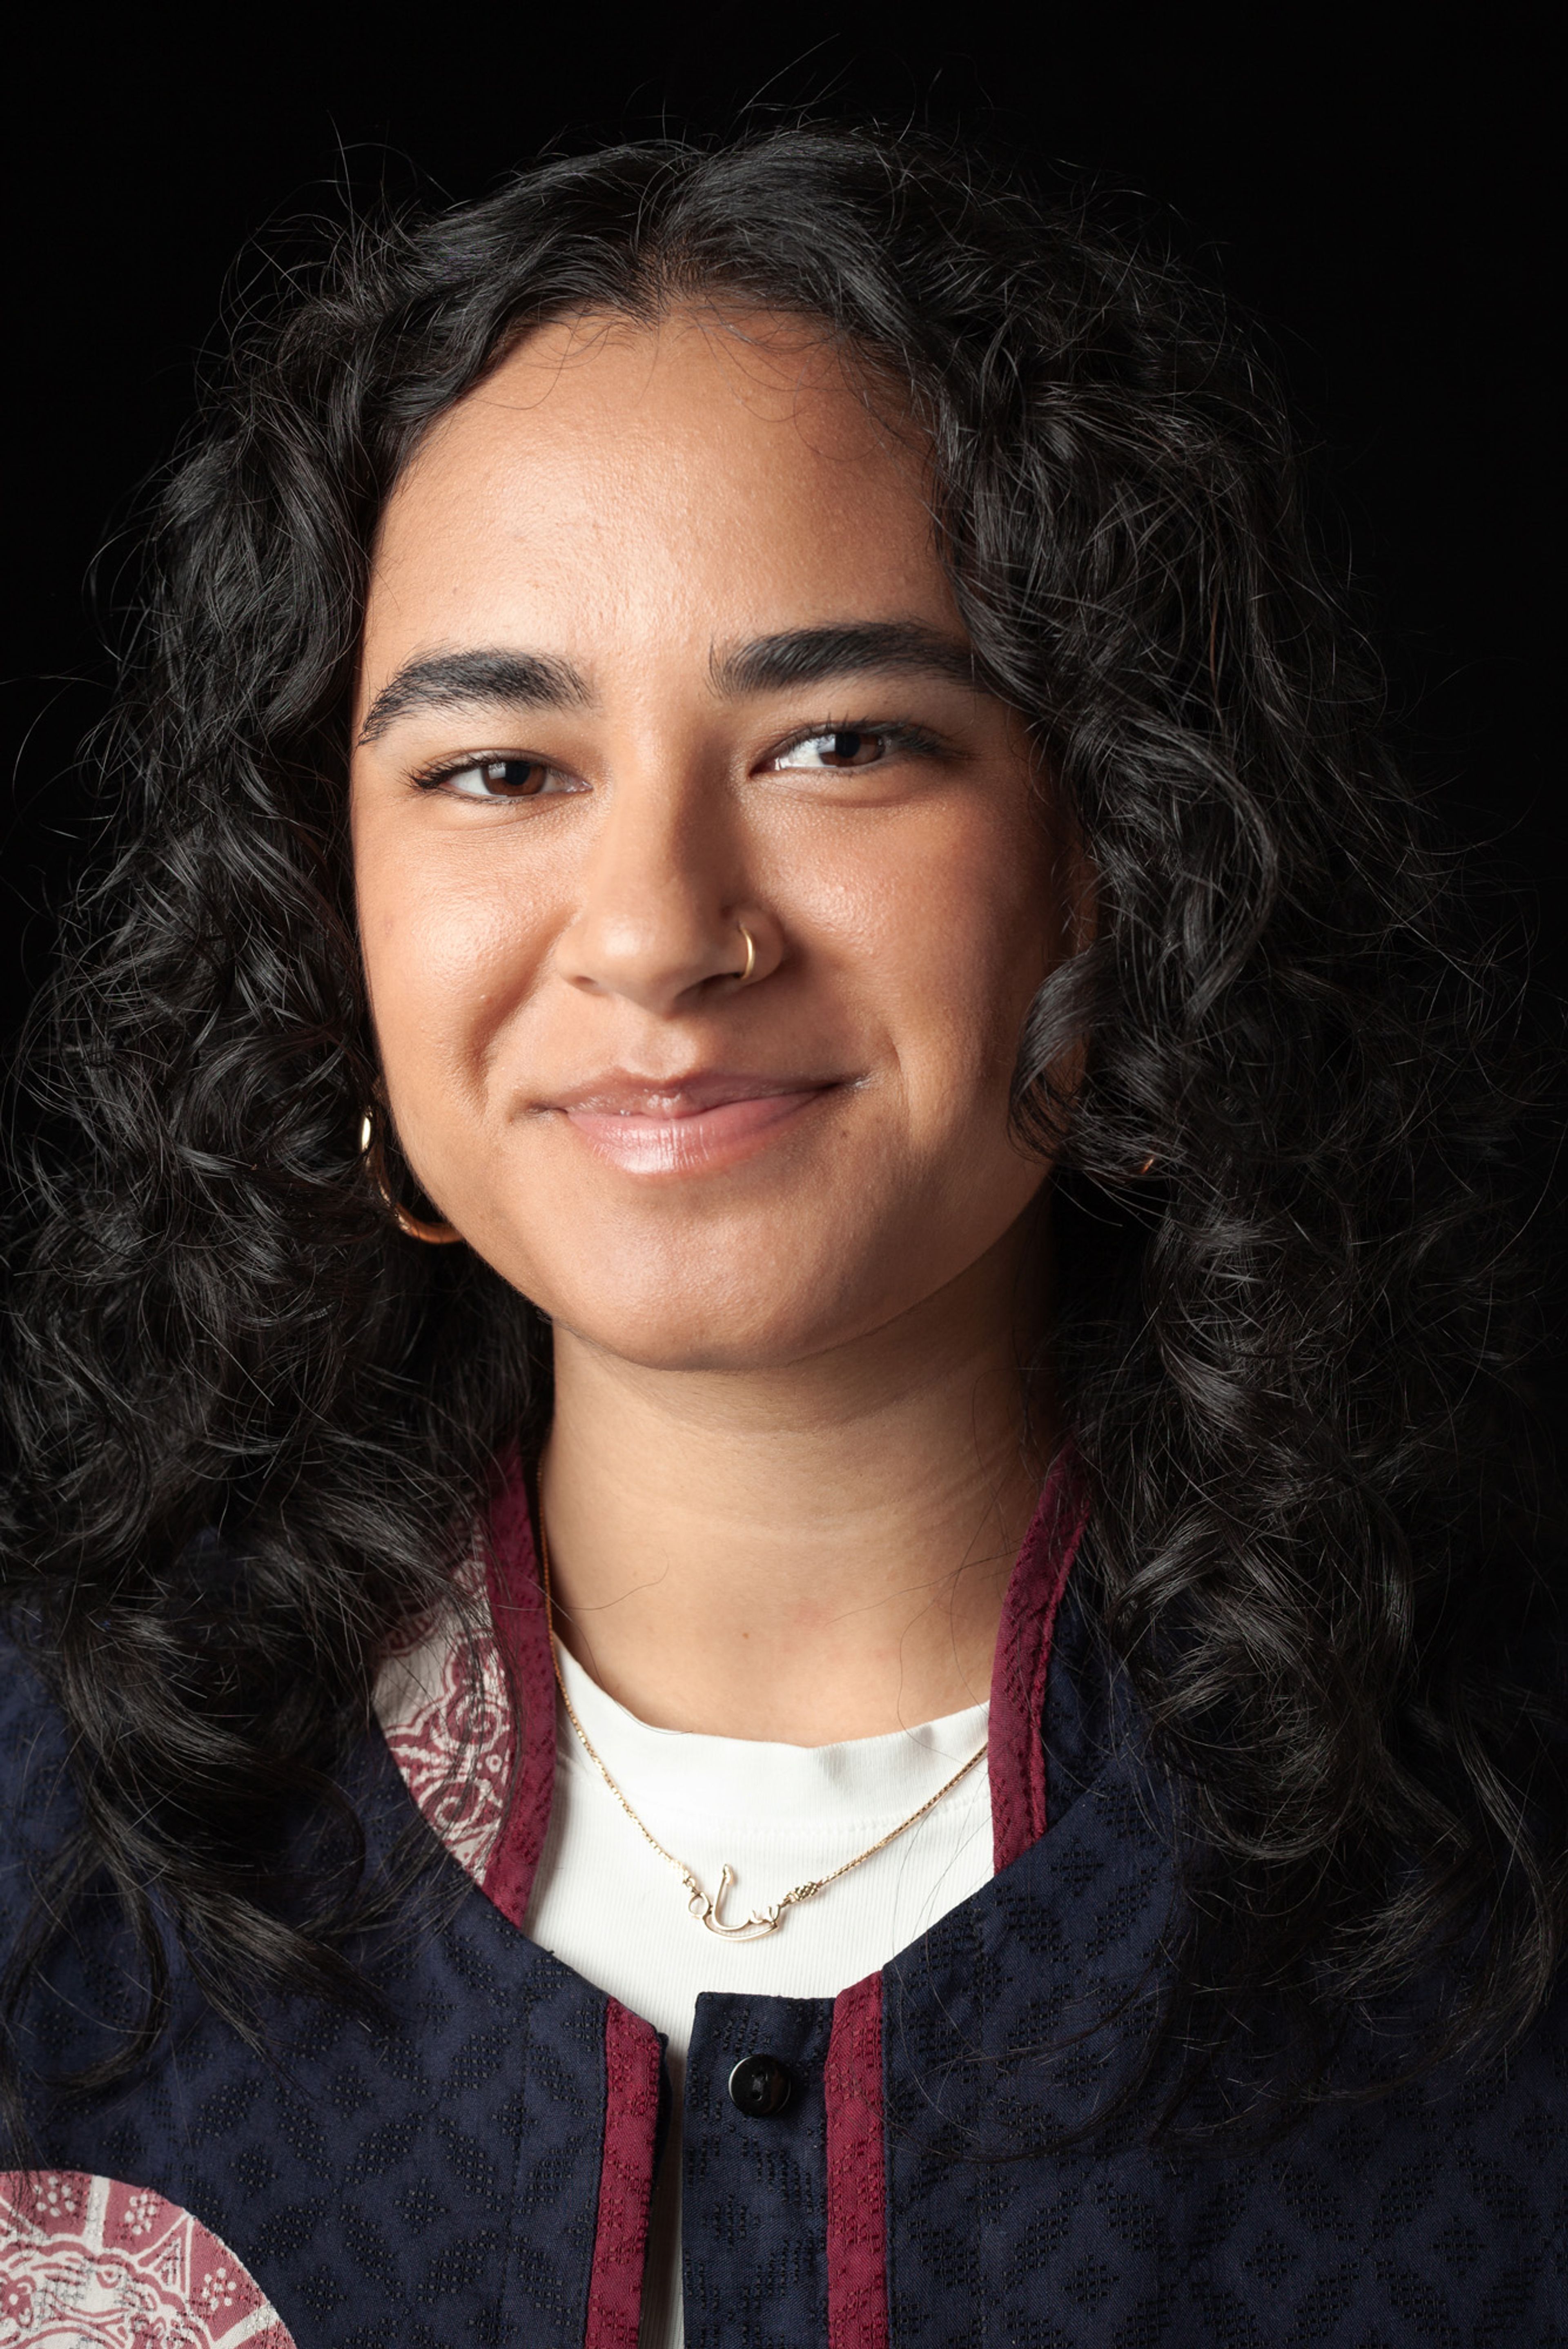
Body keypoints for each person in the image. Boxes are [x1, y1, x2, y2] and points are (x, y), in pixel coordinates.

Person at [1, 126, 1563, 2349]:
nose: (658, 933)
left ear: (1109, 858)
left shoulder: (1503, 1880)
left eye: (840, 740)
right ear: (323, 906)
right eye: (497, 771)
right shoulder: (41, 1870)